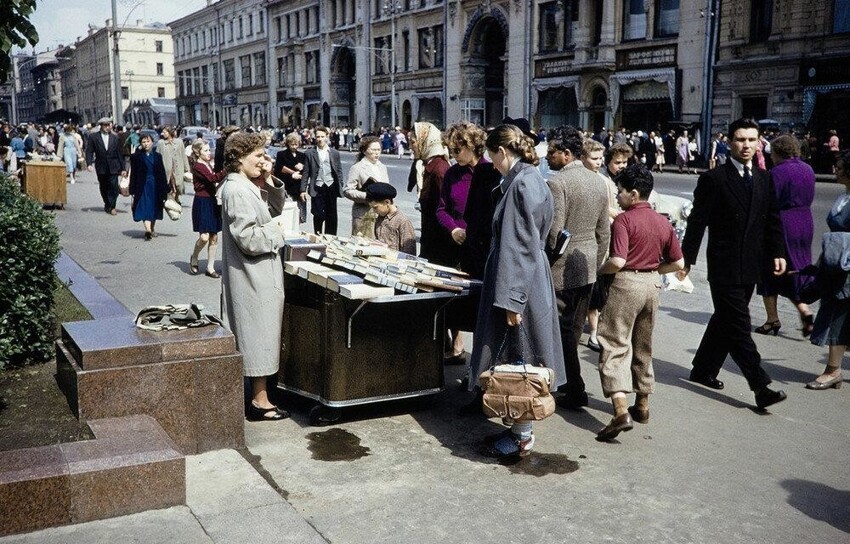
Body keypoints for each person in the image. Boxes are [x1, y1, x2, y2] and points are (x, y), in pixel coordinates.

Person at [468, 124, 566, 459]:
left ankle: (523, 434)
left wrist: (513, 299)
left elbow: (519, 245)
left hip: (518, 280)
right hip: (524, 277)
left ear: (501, 151)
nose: (491, 164)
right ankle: (517, 428)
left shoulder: (522, 183)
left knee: (520, 356)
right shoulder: (530, 178)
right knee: (521, 353)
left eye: (491, 157)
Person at [677, 118, 788, 410]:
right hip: (724, 265)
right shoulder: (714, 179)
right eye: (740, 140)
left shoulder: (765, 178)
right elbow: (697, 223)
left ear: (759, 142)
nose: (746, 146)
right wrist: (686, 260)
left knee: (725, 320)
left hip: (751, 264)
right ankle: (760, 385)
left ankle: (702, 369)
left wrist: (778, 251)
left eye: (752, 140)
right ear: (728, 142)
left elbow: (772, 219)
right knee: (739, 325)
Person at [595, 164, 684, 441]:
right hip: (652, 285)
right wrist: (654, 272)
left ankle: (621, 411)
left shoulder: (624, 220)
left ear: (633, 194)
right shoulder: (663, 221)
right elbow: (678, 263)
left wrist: (600, 270)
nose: (618, 197)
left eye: (620, 192)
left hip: (625, 284)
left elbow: (618, 260)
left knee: (614, 343)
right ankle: (643, 405)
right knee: (643, 345)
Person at [220, 131, 290, 422]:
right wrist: (279, 230)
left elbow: (271, 208)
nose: (264, 160)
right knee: (257, 335)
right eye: (258, 155)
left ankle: (262, 396)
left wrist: (270, 179)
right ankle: (259, 402)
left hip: (260, 273)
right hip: (252, 275)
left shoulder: (246, 185)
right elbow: (247, 238)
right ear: (238, 158)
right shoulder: (236, 190)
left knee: (262, 334)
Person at [545, 126, 609, 410]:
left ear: (567, 154)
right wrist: (596, 263)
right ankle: (572, 386)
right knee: (573, 329)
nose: (547, 157)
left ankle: (574, 387)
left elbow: (554, 232)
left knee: (562, 331)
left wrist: (546, 262)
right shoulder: (597, 181)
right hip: (588, 266)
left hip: (562, 268)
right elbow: (603, 231)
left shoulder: (557, 183)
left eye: (552, 151)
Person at [755, 135, 815, 337]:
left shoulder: (775, 173)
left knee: (769, 270)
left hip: (782, 222)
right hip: (805, 220)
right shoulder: (808, 169)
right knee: (796, 269)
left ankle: (772, 319)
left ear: (778, 152)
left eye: (771, 153)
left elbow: (769, 202)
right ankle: (804, 309)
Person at [808, 150, 850, 390]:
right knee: (836, 311)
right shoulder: (844, 195)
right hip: (835, 263)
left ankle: (833, 370)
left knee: (839, 315)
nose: (837, 170)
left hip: (847, 267)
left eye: (841, 167)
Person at [411, 122, 452, 263]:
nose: (411, 146)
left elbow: (445, 208)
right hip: (431, 235)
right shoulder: (429, 165)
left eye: (413, 142)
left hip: (438, 242)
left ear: (424, 141)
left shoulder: (439, 169)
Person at [190, 140, 227, 277]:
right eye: (205, 150)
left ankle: (210, 268)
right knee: (204, 237)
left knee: (214, 236)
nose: (209, 153)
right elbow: (213, 178)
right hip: (202, 201)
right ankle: (194, 256)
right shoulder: (198, 166)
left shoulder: (206, 164)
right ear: (197, 152)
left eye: (209, 150)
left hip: (211, 201)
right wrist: (227, 170)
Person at [344, 135, 389, 236]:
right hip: (363, 214)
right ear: (364, 151)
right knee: (363, 246)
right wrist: (367, 196)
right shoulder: (357, 168)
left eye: (379, 149)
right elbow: (347, 190)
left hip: (381, 213)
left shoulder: (382, 167)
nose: (377, 152)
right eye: (373, 150)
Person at [303, 126, 344, 234]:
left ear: (327, 137)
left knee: (331, 214)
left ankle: (330, 238)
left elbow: (338, 170)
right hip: (317, 186)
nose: (320, 139)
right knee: (318, 213)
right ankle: (318, 235)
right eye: (318, 137)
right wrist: (303, 190)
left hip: (331, 185)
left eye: (322, 136)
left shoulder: (334, 153)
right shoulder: (309, 153)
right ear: (315, 138)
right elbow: (306, 172)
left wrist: (340, 184)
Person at [128, 133, 169, 240]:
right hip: (142, 185)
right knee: (145, 206)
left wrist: (165, 188)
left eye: (148, 141)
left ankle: (152, 228)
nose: (146, 144)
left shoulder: (157, 156)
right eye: (143, 142)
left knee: (154, 207)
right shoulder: (136, 157)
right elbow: (133, 174)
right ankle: (148, 230)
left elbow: (162, 173)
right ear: (141, 144)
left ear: (152, 142)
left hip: (155, 185)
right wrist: (132, 189)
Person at [86, 117, 126, 215]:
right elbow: (89, 151)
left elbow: (119, 154)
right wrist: (89, 164)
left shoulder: (115, 137)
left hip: (113, 165)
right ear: (101, 126)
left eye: (109, 125)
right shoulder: (94, 137)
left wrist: (123, 168)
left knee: (114, 187)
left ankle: (112, 206)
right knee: (103, 186)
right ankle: (107, 203)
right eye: (105, 125)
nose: (108, 127)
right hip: (101, 165)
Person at [367, 182, 416, 254]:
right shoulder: (380, 218)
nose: (374, 211)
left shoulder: (403, 221)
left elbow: (409, 253)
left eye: (375, 208)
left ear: (387, 202)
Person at [274, 132, 308, 225]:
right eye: (291, 144)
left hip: (298, 188)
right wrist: (292, 175)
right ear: (288, 144)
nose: (294, 146)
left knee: (298, 215)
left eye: (296, 144)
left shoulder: (302, 155)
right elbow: (278, 170)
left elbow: (306, 172)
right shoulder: (281, 154)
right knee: (287, 213)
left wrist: (302, 167)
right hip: (287, 187)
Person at [156, 126, 190, 196]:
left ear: (170, 132)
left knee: (178, 186)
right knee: (168, 187)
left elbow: (183, 156)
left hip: (177, 169)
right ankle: (170, 202)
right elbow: (157, 157)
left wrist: (187, 169)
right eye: (163, 132)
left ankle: (176, 199)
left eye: (165, 132)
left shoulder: (179, 142)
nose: (163, 134)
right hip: (166, 169)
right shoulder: (161, 143)